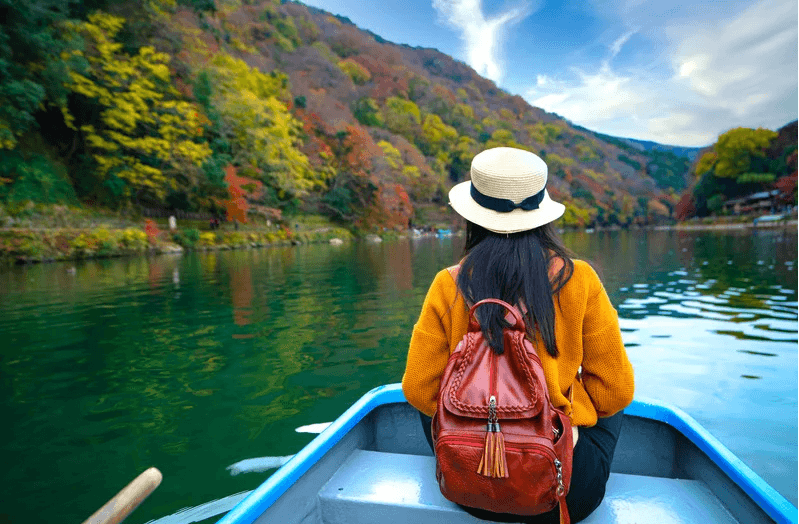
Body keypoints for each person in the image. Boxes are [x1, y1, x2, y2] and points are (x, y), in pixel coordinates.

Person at [401, 146, 635, 523]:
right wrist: (564, 420)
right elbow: (615, 393)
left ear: (472, 215)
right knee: (615, 395)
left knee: (431, 393)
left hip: (468, 485)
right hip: (562, 492)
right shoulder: (580, 280)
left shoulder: (448, 284)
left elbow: (418, 389)